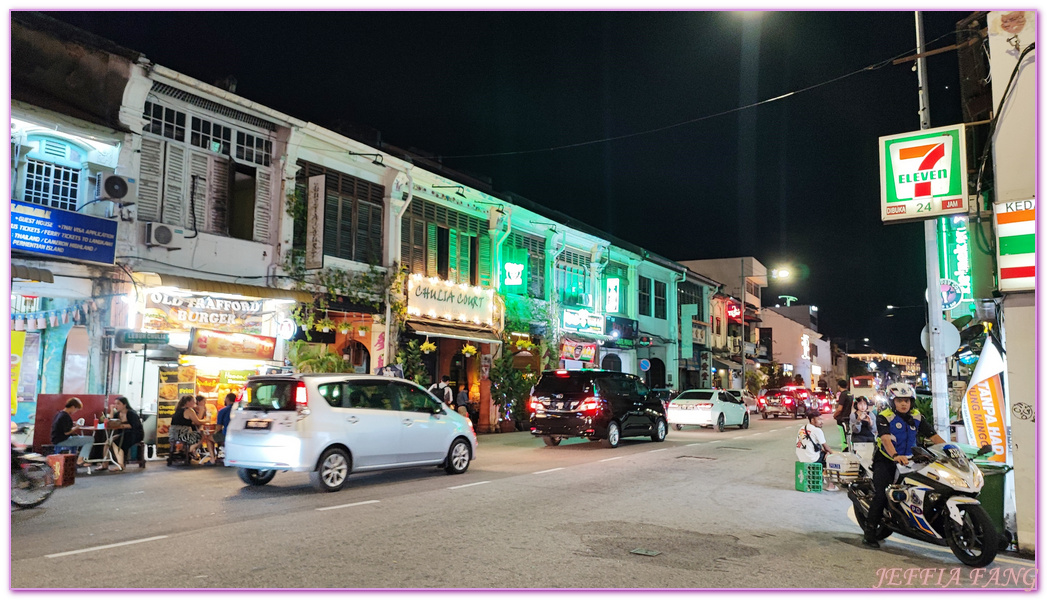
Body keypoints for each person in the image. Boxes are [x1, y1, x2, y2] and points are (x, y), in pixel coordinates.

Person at [862, 383, 946, 549]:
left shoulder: (916, 416)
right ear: (892, 402)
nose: (904, 404)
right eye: (899, 400)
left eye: (907, 400)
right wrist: (895, 455)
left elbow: (933, 436)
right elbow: (885, 439)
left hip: (911, 460)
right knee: (881, 493)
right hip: (886, 459)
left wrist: (950, 451)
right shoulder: (884, 416)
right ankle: (869, 532)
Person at [169, 395, 217, 465]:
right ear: (188, 402)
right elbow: (197, 422)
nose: (194, 403)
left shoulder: (178, 410)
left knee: (197, 433)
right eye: (193, 401)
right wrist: (206, 420)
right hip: (183, 434)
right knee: (201, 435)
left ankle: (187, 451)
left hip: (174, 434)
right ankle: (187, 451)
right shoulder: (189, 410)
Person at [796, 410, 837, 491]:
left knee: (825, 454)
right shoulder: (817, 430)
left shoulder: (802, 428)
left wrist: (826, 452)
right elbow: (826, 447)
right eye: (819, 419)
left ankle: (820, 477)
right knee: (833, 459)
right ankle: (831, 485)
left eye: (822, 419)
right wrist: (833, 454)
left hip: (801, 457)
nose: (822, 422)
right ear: (812, 420)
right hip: (811, 458)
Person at [50, 397, 95, 466]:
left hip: (56, 439)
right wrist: (77, 427)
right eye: (76, 409)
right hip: (63, 440)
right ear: (73, 407)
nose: (75, 411)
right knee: (90, 439)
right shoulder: (65, 416)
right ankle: (80, 460)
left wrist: (73, 423)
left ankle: (79, 460)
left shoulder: (59, 414)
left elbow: (63, 425)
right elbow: (67, 432)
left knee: (81, 438)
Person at [107, 396, 144, 471]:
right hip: (123, 433)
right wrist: (111, 410)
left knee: (115, 441)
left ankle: (120, 464)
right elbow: (111, 421)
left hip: (134, 434)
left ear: (124, 405)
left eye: (118, 404)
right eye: (115, 404)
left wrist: (121, 425)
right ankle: (105, 464)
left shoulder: (131, 413)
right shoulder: (117, 414)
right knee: (107, 442)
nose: (116, 406)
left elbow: (134, 426)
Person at [213, 393, 235, 458]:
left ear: (227, 399)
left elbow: (218, 428)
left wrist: (215, 433)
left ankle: (213, 458)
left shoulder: (222, 411)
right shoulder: (240, 410)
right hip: (237, 435)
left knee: (209, 438)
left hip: (227, 434)